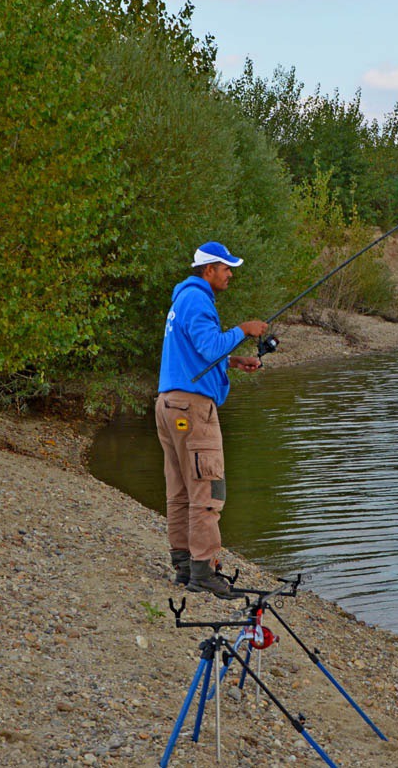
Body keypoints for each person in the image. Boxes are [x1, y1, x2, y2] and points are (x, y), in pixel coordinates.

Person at [155, 241, 268, 598]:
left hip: (168, 403)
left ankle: (184, 565)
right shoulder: (199, 300)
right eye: (226, 268)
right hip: (192, 409)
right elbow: (208, 347)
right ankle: (203, 571)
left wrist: (234, 363)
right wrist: (244, 330)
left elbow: (196, 354)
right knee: (207, 487)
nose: (230, 274)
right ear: (209, 270)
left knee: (180, 489)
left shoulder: (182, 300)